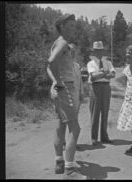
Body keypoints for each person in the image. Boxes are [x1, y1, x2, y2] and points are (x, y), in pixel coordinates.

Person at [46, 14, 83, 178]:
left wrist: (54, 81)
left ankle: (59, 162)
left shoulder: (57, 43)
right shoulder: (62, 42)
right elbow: (51, 62)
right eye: (71, 25)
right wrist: (59, 81)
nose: (74, 28)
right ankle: (69, 170)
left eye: (75, 25)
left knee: (61, 125)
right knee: (75, 128)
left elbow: (49, 65)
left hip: (61, 88)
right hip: (65, 88)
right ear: (62, 26)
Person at [87, 41, 116, 146]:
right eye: (96, 50)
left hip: (106, 88)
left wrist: (100, 73)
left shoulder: (108, 62)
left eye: (100, 50)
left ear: (103, 51)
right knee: (95, 113)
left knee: (105, 112)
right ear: (94, 51)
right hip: (96, 88)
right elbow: (93, 77)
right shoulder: (90, 63)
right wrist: (105, 73)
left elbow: (113, 74)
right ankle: (94, 138)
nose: (99, 52)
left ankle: (104, 136)